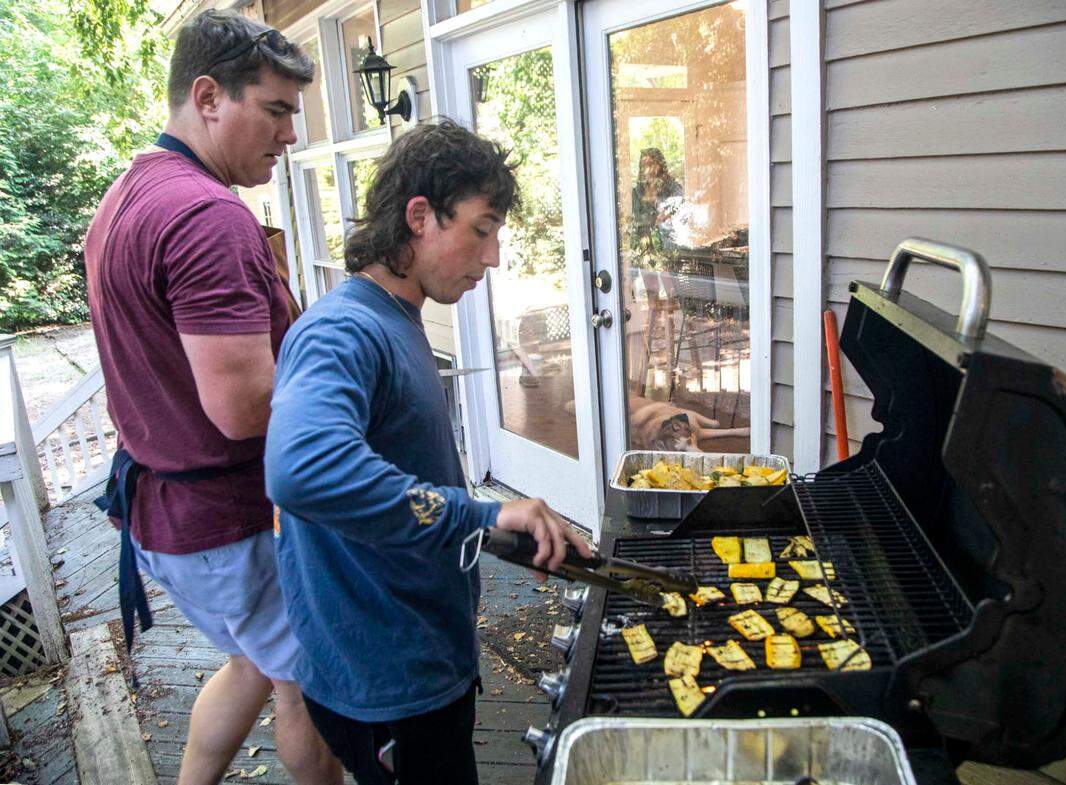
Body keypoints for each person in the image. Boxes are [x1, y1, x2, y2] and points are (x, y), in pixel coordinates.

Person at [264, 120, 593, 785]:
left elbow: (404, 484)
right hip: (388, 679)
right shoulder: (343, 330)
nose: (494, 254)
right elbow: (300, 466)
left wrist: (497, 532)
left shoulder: (398, 318)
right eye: (482, 228)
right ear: (419, 216)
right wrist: (475, 515)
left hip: (420, 653)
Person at [83, 10, 340, 785]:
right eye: (275, 110)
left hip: (166, 514)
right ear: (207, 96)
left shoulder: (126, 194)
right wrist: (350, 395)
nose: (290, 135)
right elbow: (244, 407)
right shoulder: (206, 216)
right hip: (228, 521)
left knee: (253, 663)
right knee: (311, 691)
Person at [630, 147, 683, 254]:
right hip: (644, 252)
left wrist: (666, 214)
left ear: (660, 165)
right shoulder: (636, 193)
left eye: (651, 164)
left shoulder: (672, 189)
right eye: (643, 165)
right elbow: (634, 223)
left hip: (670, 251)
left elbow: (677, 207)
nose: (647, 169)